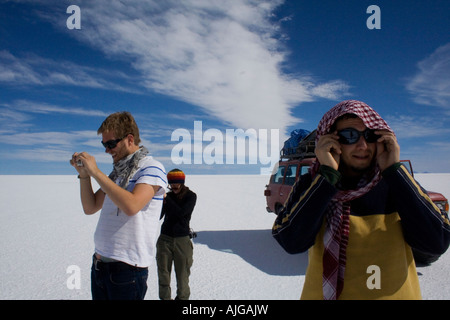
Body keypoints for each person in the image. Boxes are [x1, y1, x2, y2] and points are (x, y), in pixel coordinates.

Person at [272, 100, 450, 300]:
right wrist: (328, 177)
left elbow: (437, 241)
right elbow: (291, 241)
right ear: (329, 140)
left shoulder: (394, 184)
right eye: (350, 136)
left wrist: (394, 172)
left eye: (370, 135)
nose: (363, 145)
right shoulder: (314, 184)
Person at [70, 111, 167, 300]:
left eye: (111, 144)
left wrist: (97, 173)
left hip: (127, 272)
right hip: (100, 265)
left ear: (129, 139)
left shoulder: (152, 168)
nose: (107, 150)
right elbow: (90, 207)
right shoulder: (117, 174)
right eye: (104, 144)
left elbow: (132, 206)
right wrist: (84, 175)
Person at [156, 169, 197, 300]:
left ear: (182, 183)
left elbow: (182, 213)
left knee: (183, 276)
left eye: (176, 184)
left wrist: (167, 199)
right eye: (171, 184)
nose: (173, 187)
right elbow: (159, 216)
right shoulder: (167, 196)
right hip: (164, 240)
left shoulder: (191, 196)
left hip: (182, 241)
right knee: (163, 275)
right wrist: (158, 201)